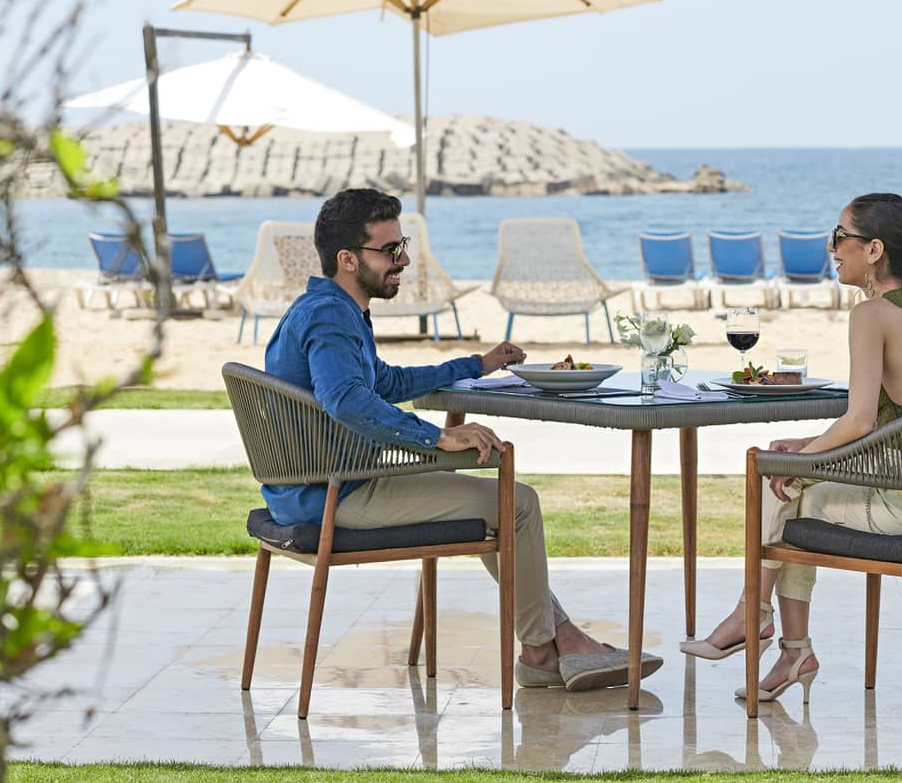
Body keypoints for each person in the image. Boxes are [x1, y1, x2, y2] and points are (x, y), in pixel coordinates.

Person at [263, 187, 660, 692]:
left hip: (321, 486)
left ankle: (551, 644)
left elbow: (381, 383)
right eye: (390, 251)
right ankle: (546, 647)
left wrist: (474, 365)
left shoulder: (328, 308)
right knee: (516, 503)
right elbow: (346, 399)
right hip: (337, 495)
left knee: (498, 504)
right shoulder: (330, 315)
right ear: (347, 259)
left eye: (401, 245)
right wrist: (437, 439)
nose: (403, 259)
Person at [678, 192, 902, 703]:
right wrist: (806, 449)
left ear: (874, 249)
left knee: (783, 490)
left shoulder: (872, 314)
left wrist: (803, 461)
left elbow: (858, 421)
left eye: (840, 237)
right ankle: (785, 643)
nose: (831, 247)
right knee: (785, 469)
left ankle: (761, 620)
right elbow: (879, 425)